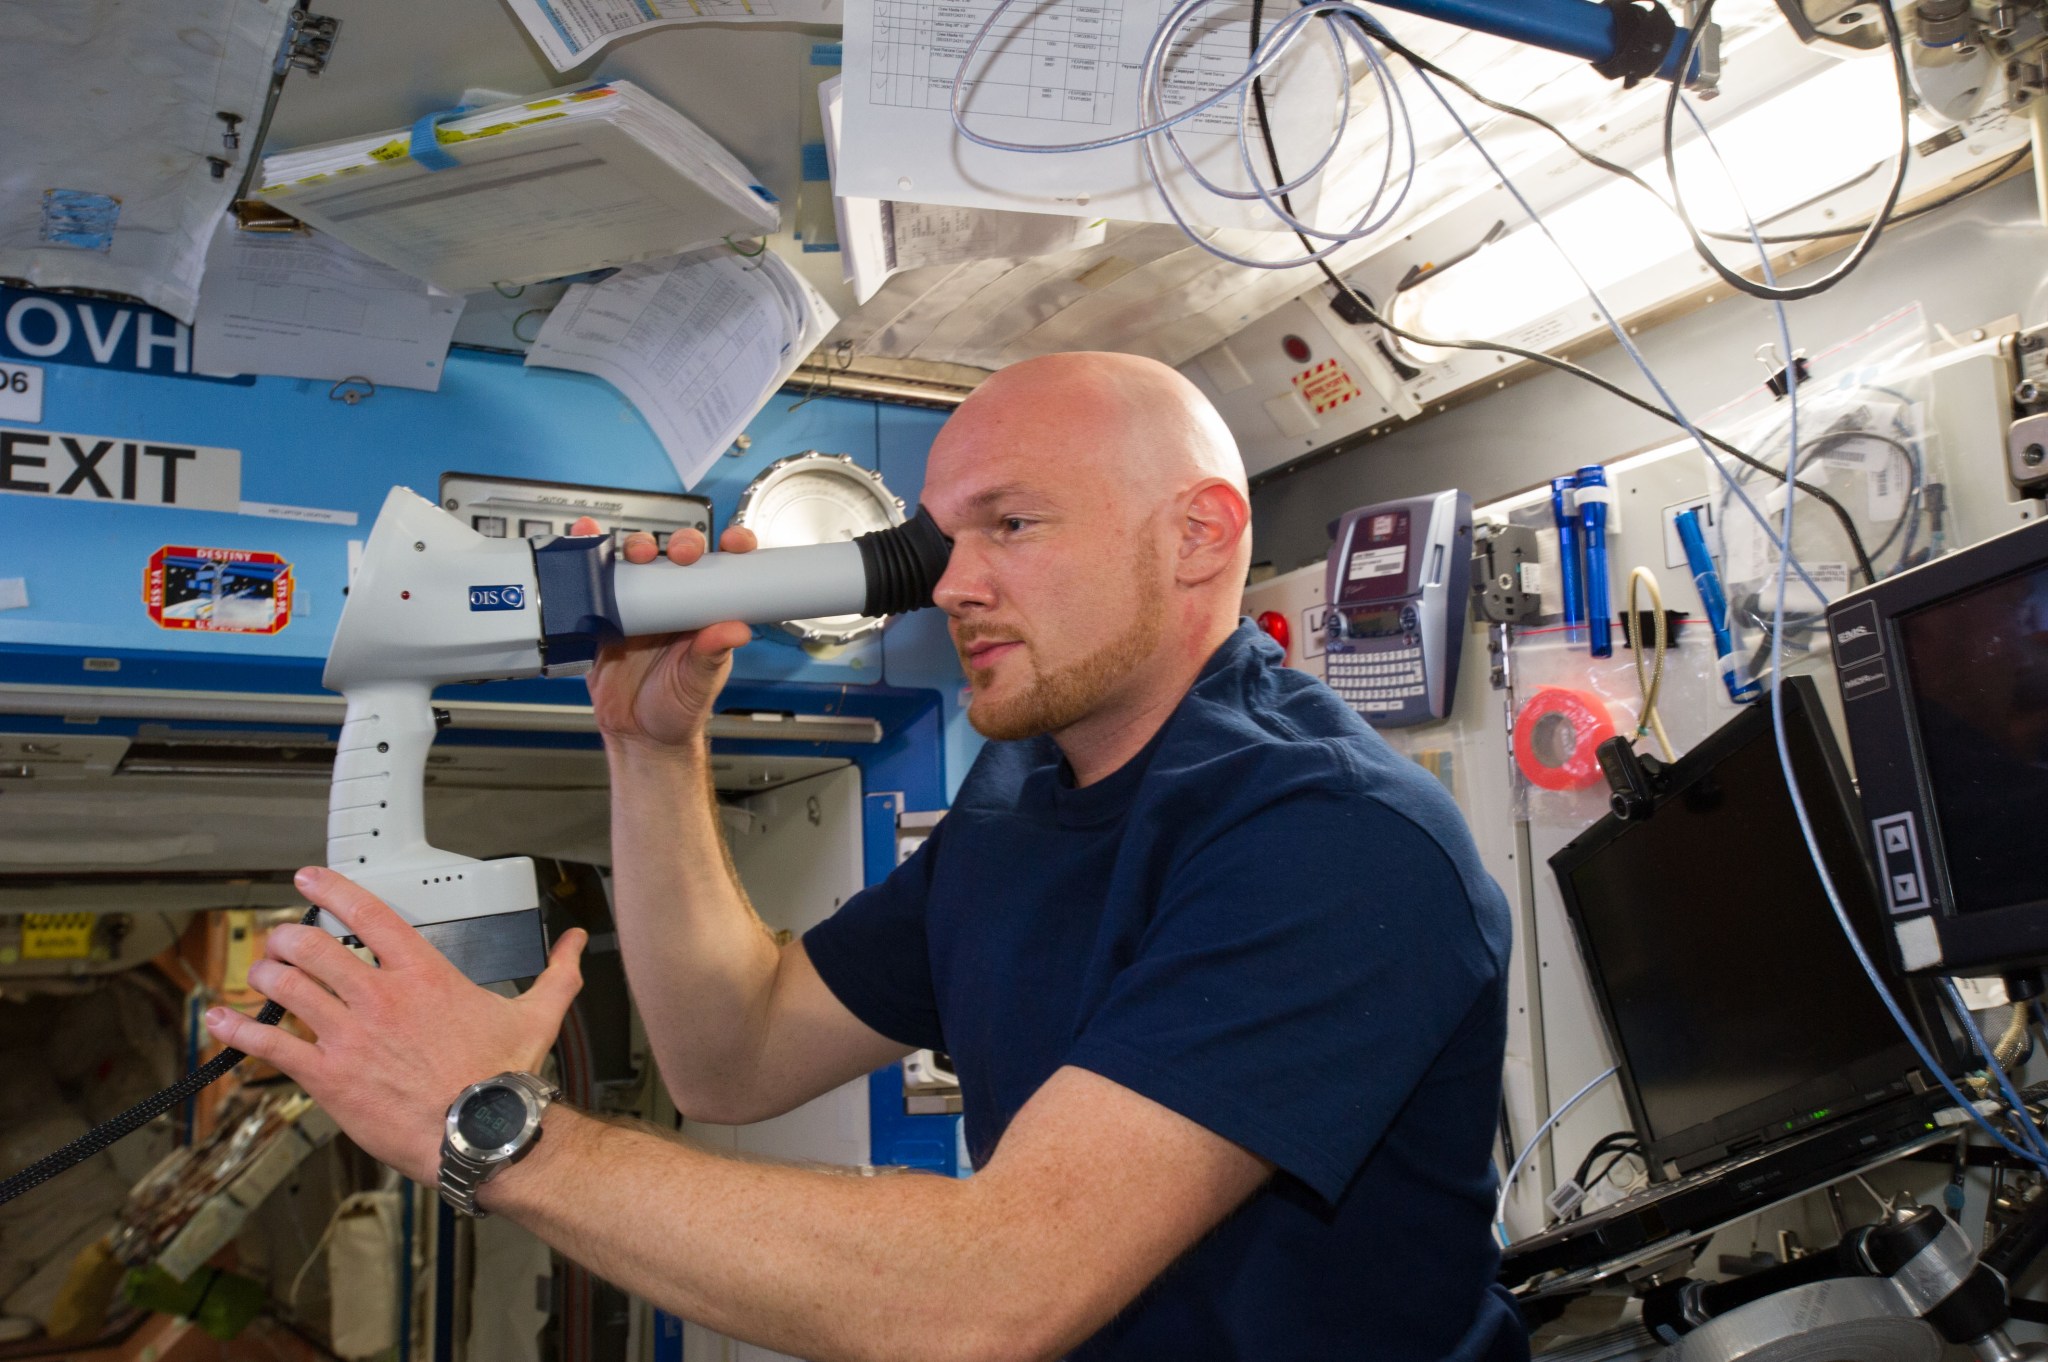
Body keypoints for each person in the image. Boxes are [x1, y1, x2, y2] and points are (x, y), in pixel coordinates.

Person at [210, 352, 1527, 1362]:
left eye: (1011, 524)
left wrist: (494, 1130)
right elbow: (732, 1055)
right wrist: (652, 751)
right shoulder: (1026, 794)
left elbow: (999, 1287)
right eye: (943, 538)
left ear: (1198, 534)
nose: (951, 583)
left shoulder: (1334, 843)